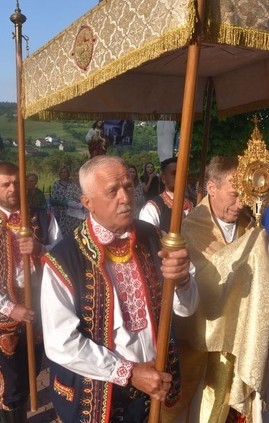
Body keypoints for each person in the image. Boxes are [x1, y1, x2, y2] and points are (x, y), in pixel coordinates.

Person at [40, 155, 198, 421]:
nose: (125, 197)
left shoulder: (154, 237)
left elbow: (187, 308)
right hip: (97, 392)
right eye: (113, 191)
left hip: (156, 384)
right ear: (87, 203)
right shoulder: (65, 259)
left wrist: (183, 280)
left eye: (128, 185)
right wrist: (130, 373)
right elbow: (61, 342)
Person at [164, 156, 269, 421]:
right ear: (211, 188)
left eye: (244, 194)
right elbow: (202, 284)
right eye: (233, 194)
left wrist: (264, 258)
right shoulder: (190, 229)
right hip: (204, 347)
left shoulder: (251, 227)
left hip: (243, 341)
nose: (240, 202)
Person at [0, 162, 62, 422]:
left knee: (35, 366)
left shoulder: (42, 217)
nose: (13, 188)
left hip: (42, 302)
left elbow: (63, 258)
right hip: (3, 309)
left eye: (17, 182)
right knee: (12, 379)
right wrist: (9, 307)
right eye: (6, 184)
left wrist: (40, 250)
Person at [139, 157, 192, 234]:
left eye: (183, 173)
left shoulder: (195, 205)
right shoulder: (151, 208)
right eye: (174, 173)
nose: (180, 177)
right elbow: (149, 239)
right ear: (163, 179)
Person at [59, 167, 86, 236]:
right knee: (72, 236)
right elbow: (68, 201)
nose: (77, 178)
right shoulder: (71, 187)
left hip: (86, 216)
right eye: (75, 176)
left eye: (79, 176)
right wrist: (82, 204)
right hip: (73, 216)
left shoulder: (87, 187)